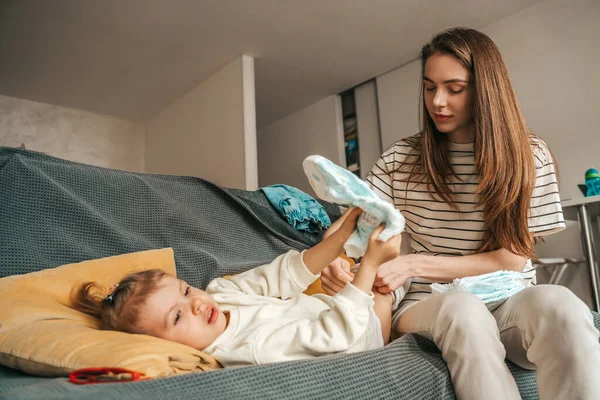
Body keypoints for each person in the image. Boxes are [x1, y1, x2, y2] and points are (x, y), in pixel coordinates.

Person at [320, 27, 600, 399]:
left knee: (564, 306)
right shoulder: (399, 159)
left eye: (455, 89)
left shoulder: (530, 156)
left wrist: (414, 263)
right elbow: (343, 232)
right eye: (429, 86)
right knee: (463, 309)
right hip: (427, 305)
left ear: (486, 91)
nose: (437, 101)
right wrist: (336, 262)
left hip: (507, 300)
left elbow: (512, 259)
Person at [72, 208, 402, 367]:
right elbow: (336, 336)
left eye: (186, 292)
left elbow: (282, 275)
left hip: (328, 309)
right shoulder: (248, 350)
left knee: (369, 268)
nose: (197, 304)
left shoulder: (220, 294)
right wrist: (370, 266)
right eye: (177, 317)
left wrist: (340, 237)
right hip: (358, 339)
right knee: (384, 284)